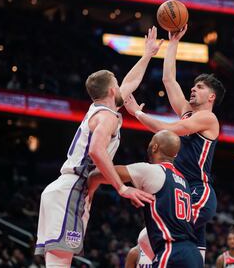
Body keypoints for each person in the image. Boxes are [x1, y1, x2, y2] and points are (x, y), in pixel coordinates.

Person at [35, 26, 162, 267]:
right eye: (117, 84)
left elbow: (131, 82)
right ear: (112, 90)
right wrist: (122, 188)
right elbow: (95, 150)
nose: (121, 86)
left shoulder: (103, 110)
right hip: (70, 189)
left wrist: (148, 54)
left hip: (70, 190)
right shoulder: (107, 117)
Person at [124, 24, 226, 260]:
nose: (193, 89)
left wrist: (137, 114)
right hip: (181, 188)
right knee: (192, 253)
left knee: (154, 239)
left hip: (197, 191)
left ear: (211, 96)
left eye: (199, 87)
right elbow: (169, 80)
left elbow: (170, 130)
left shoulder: (208, 119)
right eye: (193, 85)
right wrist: (173, 42)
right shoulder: (187, 111)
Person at [89, 130, 203, 268]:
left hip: (172, 252)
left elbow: (101, 174)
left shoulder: (151, 170)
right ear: (175, 154)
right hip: (193, 254)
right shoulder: (183, 181)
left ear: (154, 147)